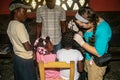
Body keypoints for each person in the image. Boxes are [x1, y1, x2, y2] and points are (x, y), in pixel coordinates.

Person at [73, 7, 112, 80]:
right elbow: (89, 33)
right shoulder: (92, 21)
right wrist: (81, 32)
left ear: (88, 22)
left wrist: (81, 42)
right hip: (89, 58)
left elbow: (99, 52)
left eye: (80, 25)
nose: (79, 26)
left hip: (97, 63)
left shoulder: (103, 29)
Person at [7, 1, 37, 80]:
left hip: (17, 57)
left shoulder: (10, 24)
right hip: (25, 59)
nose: (25, 14)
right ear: (16, 11)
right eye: (23, 11)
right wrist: (34, 48)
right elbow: (27, 47)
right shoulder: (19, 25)